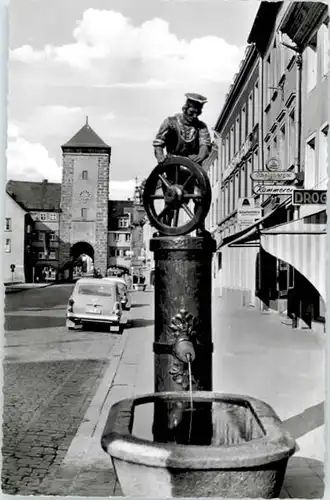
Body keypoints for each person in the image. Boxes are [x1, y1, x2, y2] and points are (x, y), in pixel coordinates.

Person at [153, 93, 211, 234]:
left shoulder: (201, 127)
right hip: (174, 167)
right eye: (192, 112)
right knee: (171, 198)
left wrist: (200, 156)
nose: (194, 116)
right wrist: (161, 158)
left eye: (198, 113)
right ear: (185, 109)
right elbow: (159, 142)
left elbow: (205, 144)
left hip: (193, 168)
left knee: (199, 195)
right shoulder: (171, 122)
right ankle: (165, 228)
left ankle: (199, 227)